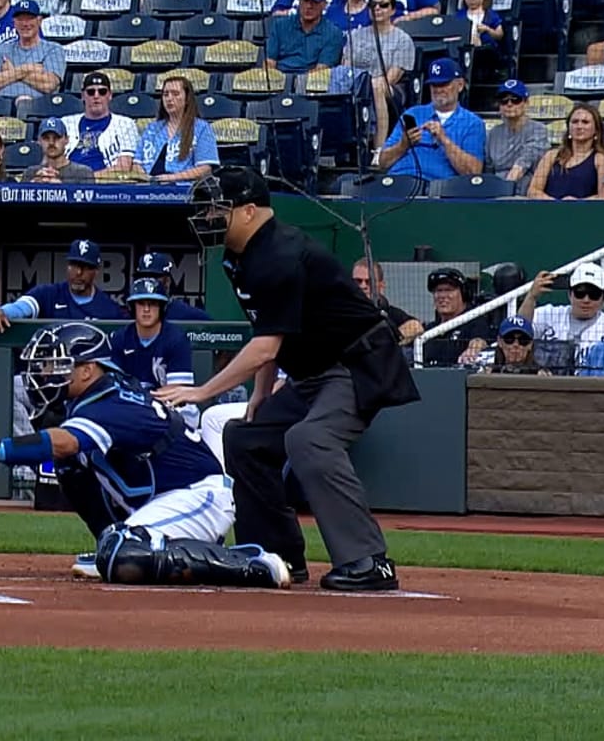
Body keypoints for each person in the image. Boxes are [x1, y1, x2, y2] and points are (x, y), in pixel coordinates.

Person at [155, 168, 419, 591]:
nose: (207, 216)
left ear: (249, 212)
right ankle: (271, 557)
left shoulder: (280, 254)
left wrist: (203, 392)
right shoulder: (238, 257)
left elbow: (265, 347)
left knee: (309, 439)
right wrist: (259, 395)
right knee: (245, 439)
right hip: (312, 373)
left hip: (357, 365)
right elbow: (266, 331)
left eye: (218, 208)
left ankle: (369, 561)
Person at [0, 321, 292, 588]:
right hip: (163, 498)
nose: (45, 373)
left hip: (200, 495)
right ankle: (113, 542)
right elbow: (67, 453)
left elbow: (63, 442)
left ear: (88, 369)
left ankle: (251, 562)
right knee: (72, 470)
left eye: (58, 365)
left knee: (122, 548)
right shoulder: (92, 397)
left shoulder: (111, 399)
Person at [378, 57, 485, 180]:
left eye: (444, 84)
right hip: (399, 182)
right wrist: (403, 144)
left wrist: (444, 140)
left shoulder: (472, 123)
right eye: (434, 85)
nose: (438, 89)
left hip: (437, 190)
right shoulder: (412, 114)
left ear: (460, 85)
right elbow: (383, 163)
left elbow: (473, 173)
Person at [345, 0, 416, 145]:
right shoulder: (355, 35)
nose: (377, 8)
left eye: (383, 5)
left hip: (391, 89)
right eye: (373, 4)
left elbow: (391, 78)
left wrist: (366, 84)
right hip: (355, 84)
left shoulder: (403, 39)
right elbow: (345, 68)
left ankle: (379, 148)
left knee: (377, 86)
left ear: (392, 10)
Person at [137, 75, 220, 183]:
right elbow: (136, 163)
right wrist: (144, 179)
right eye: (166, 94)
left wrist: (169, 178)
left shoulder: (202, 128)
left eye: (175, 94)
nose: (169, 98)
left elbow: (204, 169)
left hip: (183, 190)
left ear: (187, 99)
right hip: (147, 189)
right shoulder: (152, 128)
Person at [0, 0, 64, 103]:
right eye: (20, 19)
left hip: (38, 106)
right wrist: (26, 69)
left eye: (29, 18)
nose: (25, 24)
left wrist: (11, 71)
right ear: (14, 23)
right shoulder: (0, 49)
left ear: (39, 21)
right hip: (0, 106)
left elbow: (49, 85)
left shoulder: (53, 49)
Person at [525, 104, 604, 199]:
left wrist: (577, 203)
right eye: (575, 122)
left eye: (585, 122)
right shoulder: (551, 155)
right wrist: (556, 203)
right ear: (568, 127)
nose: (579, 126)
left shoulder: (602, 159)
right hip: (549, 210)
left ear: (596, 129)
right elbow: (533, 190)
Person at [58, 70, 137, 172]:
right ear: (82, 95)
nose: (96, 96)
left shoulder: (125, 124)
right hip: (66, 181)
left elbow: (124, 167)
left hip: (105, 183)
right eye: (91, 92)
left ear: (110, 95)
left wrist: (88, 178)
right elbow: (51, 158)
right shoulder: (66, 123)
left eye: (102, 92)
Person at [266, 0, 343, 75]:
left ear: (324, 5)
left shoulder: (333, 33)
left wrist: (298, 84)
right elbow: (270, 62)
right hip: (279, 79)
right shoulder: (279, 25)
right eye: (305, 0)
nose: (309, 6)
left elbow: (322, 70)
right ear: (299, 1)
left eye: (314, 2)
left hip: (311, 83)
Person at [351, 257, 424, 343]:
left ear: (381, 286)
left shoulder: (389, 313)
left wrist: (390, 340)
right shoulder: (341, 312)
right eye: (358, 281)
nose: (363, 286)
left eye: (369, 282)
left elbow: (416, 326)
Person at [22, 117, 95, 183]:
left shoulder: (83, 173)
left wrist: (60, 189)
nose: (51, 143)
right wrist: (33, 187)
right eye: (46, 138)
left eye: (57, 137)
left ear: (67, 140)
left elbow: (90, 197)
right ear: (39, 141)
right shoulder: (30, 173)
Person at [484, 315, 551, 375]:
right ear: (500, 342)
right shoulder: (488, 373)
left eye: (523, 340)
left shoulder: (540, 375)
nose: (516, 344)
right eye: (509, 339)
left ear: (530, 345)